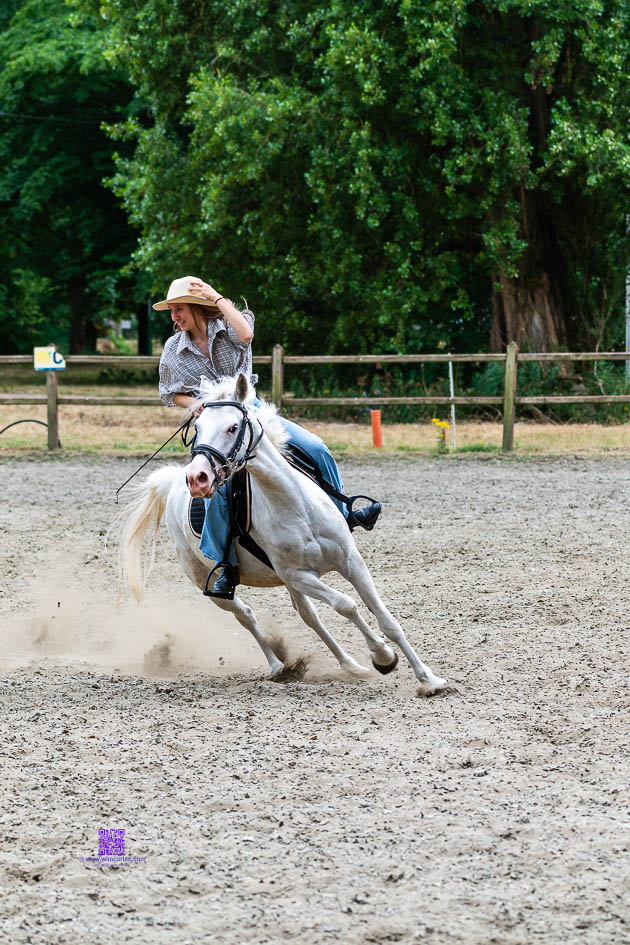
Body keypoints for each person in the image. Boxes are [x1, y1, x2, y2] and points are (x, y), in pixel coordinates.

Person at [155, 276, 380, 597]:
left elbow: (246, 334)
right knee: (221, 490)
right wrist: (196, 405)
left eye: (179, 309)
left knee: (316, 447)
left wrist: (216, 296)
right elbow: (168, 392)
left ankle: (345, 513)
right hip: (216, 426)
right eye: (172, 311)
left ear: (196, 308)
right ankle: (226, 566)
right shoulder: (173, 349)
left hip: (252, 412)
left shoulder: (230, 323)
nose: (174, 317)